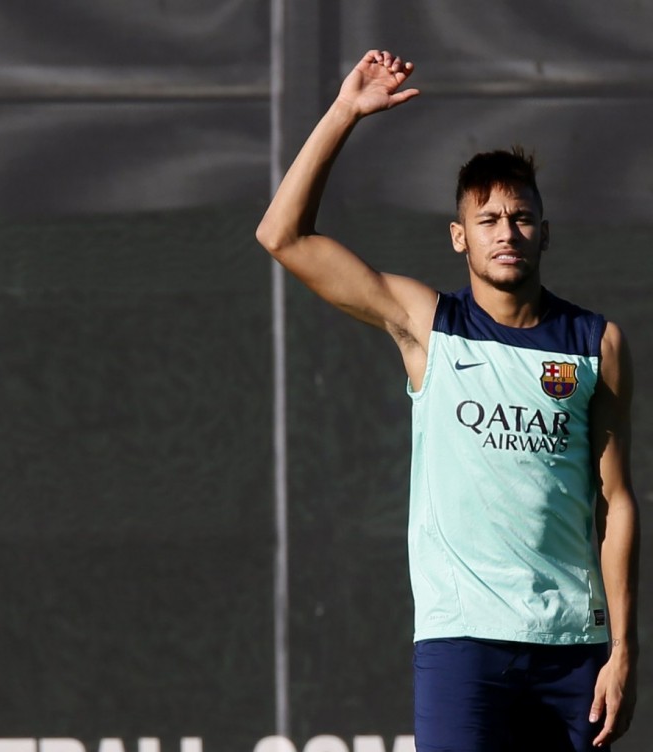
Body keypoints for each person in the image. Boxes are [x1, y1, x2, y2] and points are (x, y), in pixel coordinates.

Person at [256, 49, 639, 750]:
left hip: (573, 651)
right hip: (462, 646)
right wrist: (346, 111)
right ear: (460, 237)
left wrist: (622, 652)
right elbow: (282, 236)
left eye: (522, 217)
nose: (507, 231)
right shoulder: (429, 326)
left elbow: (617, 503)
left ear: (545, 232)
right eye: (488, 219)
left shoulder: (595, 343)